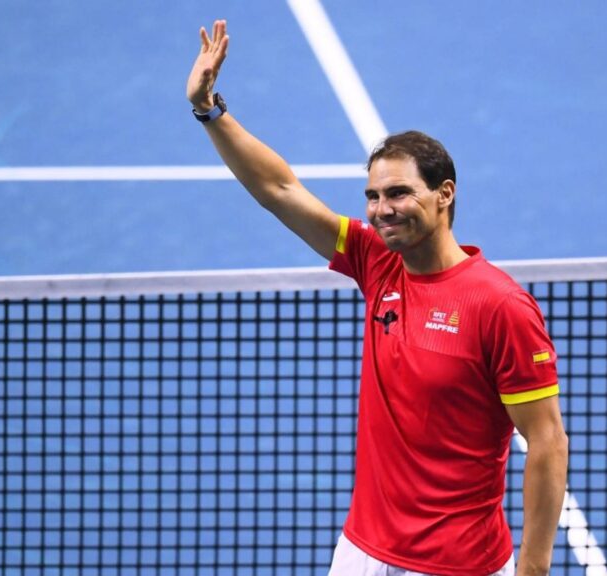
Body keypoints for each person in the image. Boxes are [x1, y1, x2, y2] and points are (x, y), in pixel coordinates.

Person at [186, 20, 569, 576]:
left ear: (444, 195)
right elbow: (280, 189)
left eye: (398, 193)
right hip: (361, 554)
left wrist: (532, 570)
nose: (381, 209)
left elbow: (547, 441)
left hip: (457, 564)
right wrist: (209, 110)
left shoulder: (499, 306)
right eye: (372, 195)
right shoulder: (376, 262)